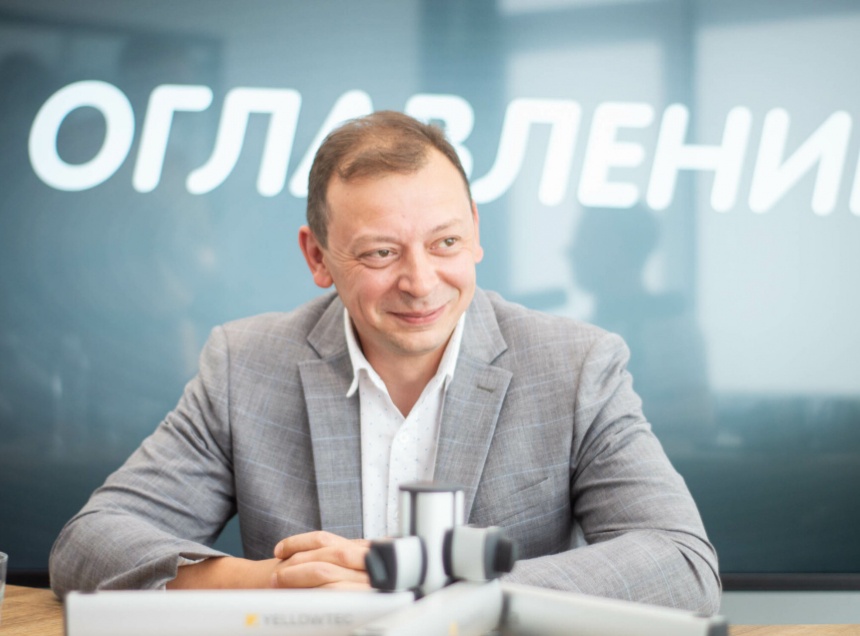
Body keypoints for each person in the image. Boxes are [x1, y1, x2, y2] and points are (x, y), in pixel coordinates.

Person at [49, 111, 721, 613]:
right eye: (380, 253)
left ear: (475, 232)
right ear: (318, 257)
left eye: (445, 242)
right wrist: (275, 581)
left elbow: (683, 566)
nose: (421, 283)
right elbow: (87, 545)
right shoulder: (245, 365)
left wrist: (425, 581)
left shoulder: (576, 366)